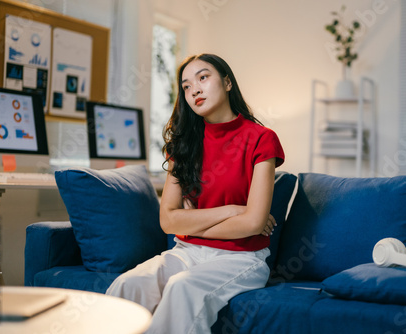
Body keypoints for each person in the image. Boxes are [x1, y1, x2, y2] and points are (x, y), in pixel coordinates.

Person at [106, 53, 285, 333]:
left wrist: (193, 221)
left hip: (240, 258)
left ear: (227, 83)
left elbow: (252, 225)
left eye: (203, 78)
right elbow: (168, 221)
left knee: (182, 287)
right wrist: (233, 211)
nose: (195, 90)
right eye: (186, 86)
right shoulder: (183, 144)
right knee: (126, 284)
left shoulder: (262, 139)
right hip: (186, 252)